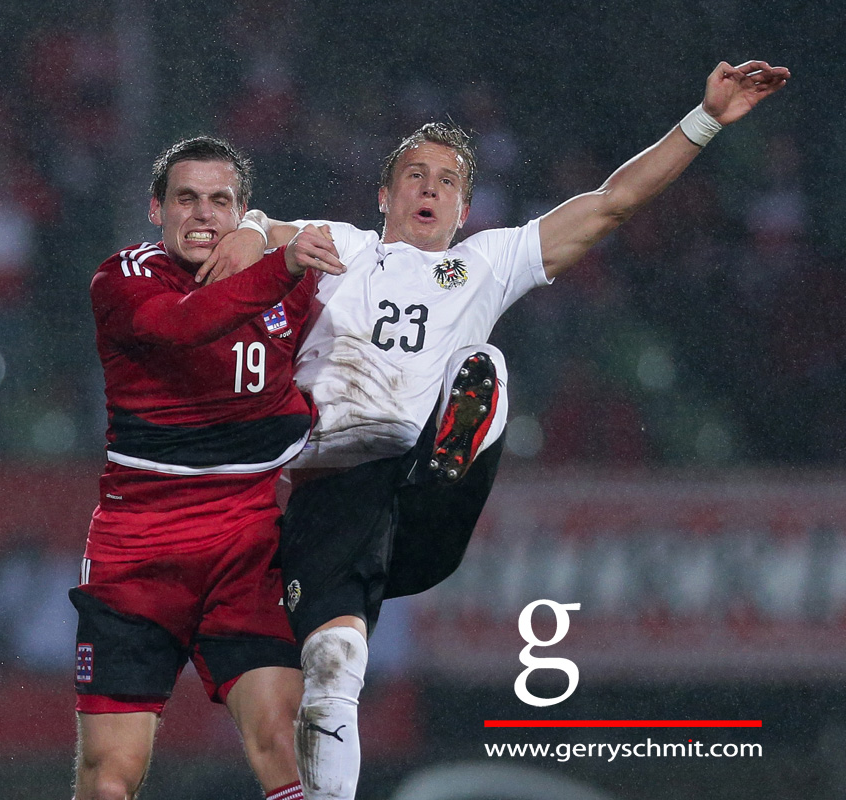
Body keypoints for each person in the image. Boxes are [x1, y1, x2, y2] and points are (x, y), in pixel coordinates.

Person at [199, 59, 789, 799]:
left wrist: (703, 121)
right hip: (337, 502)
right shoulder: (340, 247)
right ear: (384, 195)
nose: (430, 189)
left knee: (482, 364)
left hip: (424, 490)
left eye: (447, 181)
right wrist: (253, 229)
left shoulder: (483, 264)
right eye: (415, 175)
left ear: (466, 210)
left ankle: (449, 455)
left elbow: (610, 204)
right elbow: (246, 229)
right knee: (333, 669)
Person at [69, 135, 341, 800]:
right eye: (185, 199)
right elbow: (184, 326)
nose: (202, 214)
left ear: (241, 213)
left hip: (243, 552)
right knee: (109, 778)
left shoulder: (296, 284)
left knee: (283, 740)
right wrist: (279, 264)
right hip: (137, 560)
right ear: (155, 210)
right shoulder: (122, 278)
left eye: (221, 201)